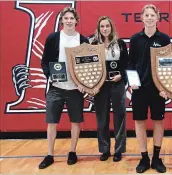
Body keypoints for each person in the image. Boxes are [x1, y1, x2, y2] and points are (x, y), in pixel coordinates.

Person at [39, 7, 89, 169]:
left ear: (76, 21)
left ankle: (72, 152)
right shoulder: (53, 38)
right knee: (52, 122)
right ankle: (49, 154)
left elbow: (87, 66)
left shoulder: (83, 40)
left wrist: (84, 84)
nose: (69, 21)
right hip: (56, 88)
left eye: (71, 18)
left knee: (75, 122)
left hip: (75, 89)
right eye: (66, 18)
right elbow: (45, 61)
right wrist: (50, 76)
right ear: (62, 20)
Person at [128, 4, 171, 173]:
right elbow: (130, 63)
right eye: (147, 15)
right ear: (142, 17)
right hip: (139, 89)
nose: (150, 18)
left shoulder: (164, 39)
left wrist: (166, 86)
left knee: (158, 121)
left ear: (157, 18)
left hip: (158, 89)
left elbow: (169, 64)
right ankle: (144, 158)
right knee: (139, 122)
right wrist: (132, 81)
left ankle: (156, 158)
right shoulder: (135, 39)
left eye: (153, 15)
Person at [90, 16, 128, 162]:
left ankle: (119, 150)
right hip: (100, 87)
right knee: (102, 118)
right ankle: (104, 150)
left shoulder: (120, 43)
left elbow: (127, 64)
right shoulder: (93, 44)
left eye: (107, 26)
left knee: (120, 117)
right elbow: (88, 66)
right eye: (102, 27)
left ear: (111, 27)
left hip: (117, 85)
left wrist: (121, 76)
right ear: (99, 29)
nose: (105, 29)